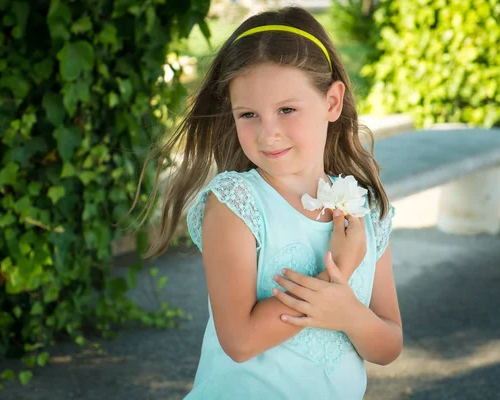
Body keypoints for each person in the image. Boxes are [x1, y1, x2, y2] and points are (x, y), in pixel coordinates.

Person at [133, 6, 402, 399]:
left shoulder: (364, 211)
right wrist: (336, 273)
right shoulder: (235, 205)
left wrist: (349, 315)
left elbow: (389, 344)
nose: (268, 133)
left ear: (332, 102)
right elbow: (240, 341)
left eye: (287, 110)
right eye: (248, 115)